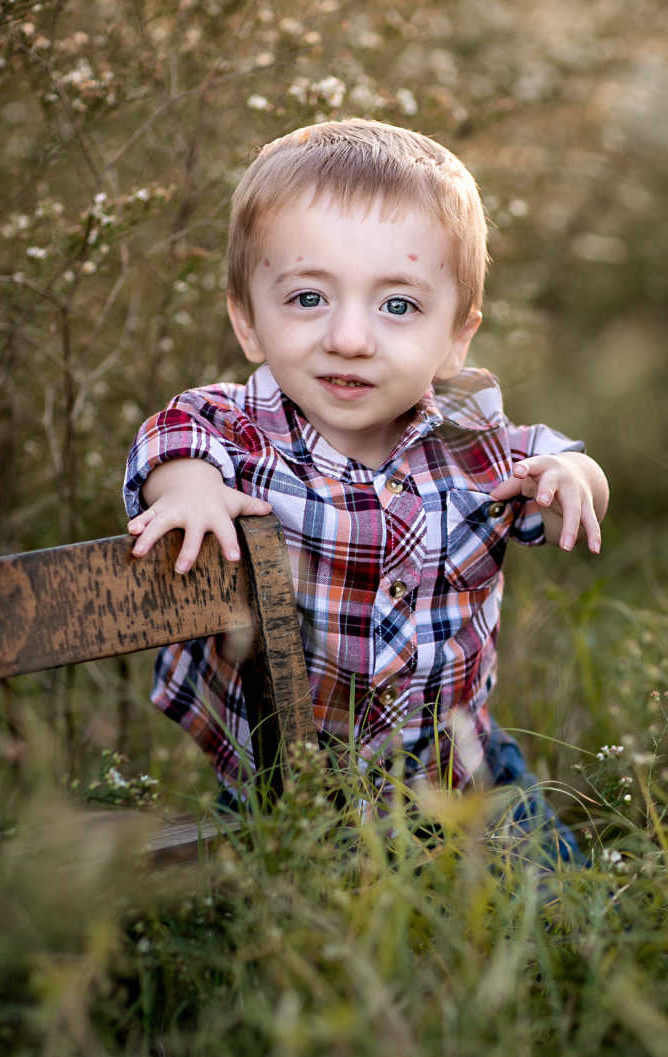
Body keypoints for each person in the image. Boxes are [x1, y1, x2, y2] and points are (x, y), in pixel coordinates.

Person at [124, 118, 608, 860]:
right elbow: (172, 436)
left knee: (559, 912)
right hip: (291, 783)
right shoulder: (239, 432)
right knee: (292, 923)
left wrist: (573, 479)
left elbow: (557, 461)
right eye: (309, 299)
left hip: (460, 768)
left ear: (456, 338)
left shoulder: (471, 440)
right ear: (249, 321)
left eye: (398, 306)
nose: (349, 337)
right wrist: (190, 490)